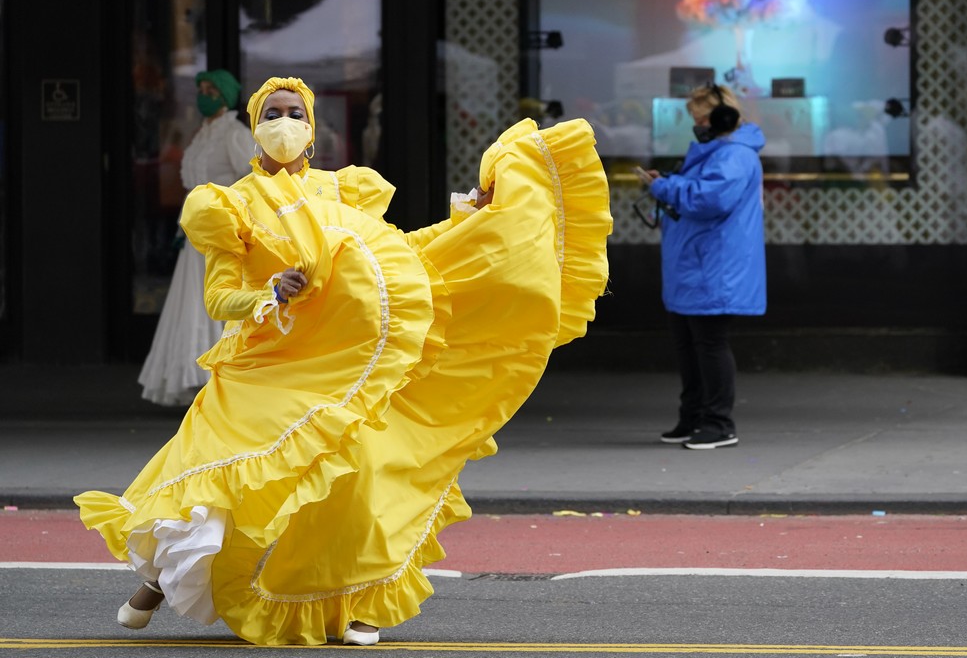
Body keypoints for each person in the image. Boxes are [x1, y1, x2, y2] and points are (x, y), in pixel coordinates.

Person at [76, 77, 612, 646]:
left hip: (351, 360)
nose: (284, 124)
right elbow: (219, 297)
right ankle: (153, 584)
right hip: (271, 362)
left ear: (311, 128)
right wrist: (268, 293)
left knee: (366, 475)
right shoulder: (229, 204)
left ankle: (361, 603)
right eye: (273, 113)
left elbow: (396, 255)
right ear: (256, 125)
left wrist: (471, 221)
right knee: (224, 470)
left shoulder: (344, 192)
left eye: (295, 113)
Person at [638, 82, 766, 450]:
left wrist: (663, 188)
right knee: (689, 345)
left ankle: (718, 423)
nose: (698, 125)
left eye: (701, 118)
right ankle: (693, 419)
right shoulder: (720, 153)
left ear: (719, 117)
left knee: (708, 344)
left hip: (713, 266)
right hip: (698, 265)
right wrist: (668, 184)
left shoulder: (733, 155)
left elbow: (708, 199)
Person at [138, 69, 255, 407]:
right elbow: (194, 188)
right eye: (201, 89)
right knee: (194, 303)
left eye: (211, 90)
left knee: (220, 300)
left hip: (223, 232)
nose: (205, 95)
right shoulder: (203, 134)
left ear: (225, 96)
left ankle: (226, 380)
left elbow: (252, 180)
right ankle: (196, 380)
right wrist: (182, 227)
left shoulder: (233, 134)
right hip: (197, 234)